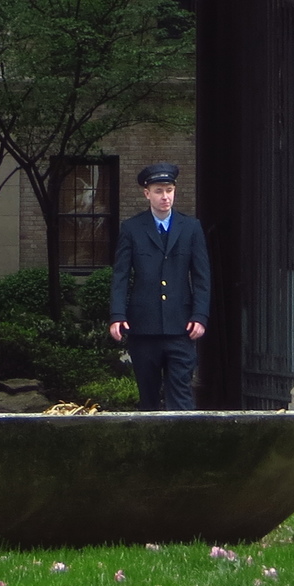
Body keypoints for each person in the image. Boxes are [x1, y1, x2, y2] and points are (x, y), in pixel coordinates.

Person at [108, 162, 210, 411]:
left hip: (181, 326)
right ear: (147, 193)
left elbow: (201, 276)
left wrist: (200, 315)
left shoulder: (191, 228)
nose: (165, 197)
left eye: (169, 190)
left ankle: (182, 447)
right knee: (149, 399)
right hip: (144, 327)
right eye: (158, 191)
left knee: (181, 396)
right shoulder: (131, 229)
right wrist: (117, 315)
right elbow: (120, 275)